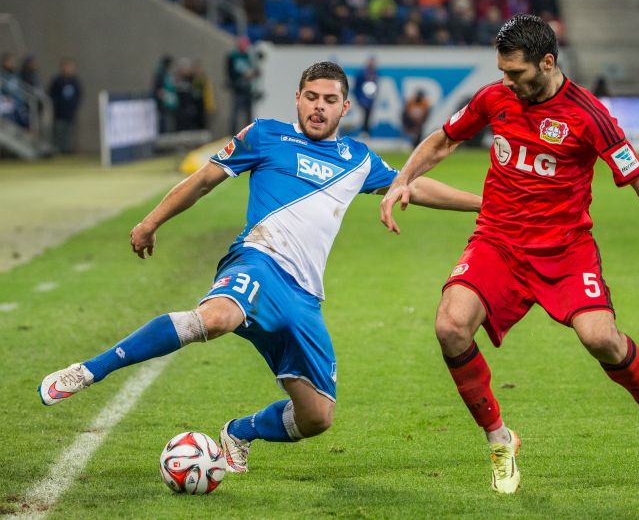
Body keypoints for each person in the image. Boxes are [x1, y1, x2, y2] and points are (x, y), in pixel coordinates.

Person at [38, 62, 481, 474]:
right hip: (258, 260)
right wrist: (151, 222)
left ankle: (239, 431)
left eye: (329, 100)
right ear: (297, 98)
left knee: (317, 416)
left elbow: (412, 185)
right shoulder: (265, 135)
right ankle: (89, 370)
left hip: (304, 298)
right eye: (311, 97)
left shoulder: (359, 159)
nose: (319, 107)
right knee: (215, 318)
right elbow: (203, 180)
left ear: (345, 107)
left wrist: (485, 205)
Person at [380, 14, 639, 495]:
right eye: (502, 71)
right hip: (498, 242)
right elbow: (445, 139)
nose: (507, 81)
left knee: (602, 339)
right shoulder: (495, 98)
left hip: (565, 251)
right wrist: (402, 180)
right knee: (450, 325)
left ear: (547, 62)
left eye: (516, 73)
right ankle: (500, 439)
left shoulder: (588, 116)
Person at [47, 57, 82, 154]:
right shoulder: (57, 80)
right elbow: (51, 94)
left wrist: (74, 105)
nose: (67, 69)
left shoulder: (75, 81)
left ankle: (68, 150)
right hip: (59, 112)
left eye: (69, 67)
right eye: (66, 66)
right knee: (59, 131)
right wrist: (57, 104)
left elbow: (79, 95)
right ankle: (58, 149)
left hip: (70, 112)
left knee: (69, 132)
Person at [227, 36, 257, 136]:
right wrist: (242, 75)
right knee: (236, 113)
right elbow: (230, 71)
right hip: (238, 87)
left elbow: (255, 70)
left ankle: (249, 133)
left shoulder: (249, 57)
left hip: (248, 88)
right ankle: (232, 134)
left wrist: (252, 73)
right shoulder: (233, 56)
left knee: (249, 113)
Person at [354, 56, 378, 136]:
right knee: (363, 115)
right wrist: (358, 98)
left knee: (368, 115)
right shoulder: (362, 73)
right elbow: (357, 86)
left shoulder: (375, 73)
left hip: (370, 99)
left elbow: (375, 85)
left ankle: (366, 131)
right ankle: (363, 131)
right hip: (362, 98)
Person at [152, 55, 177, 133]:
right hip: (163, 99)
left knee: (167, 116)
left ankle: (166, 130)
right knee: (163, 116)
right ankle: (163, 131)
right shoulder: (161, 72)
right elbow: (158, 86)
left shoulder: (165, 72)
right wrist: (160, 92)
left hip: (167, 98)